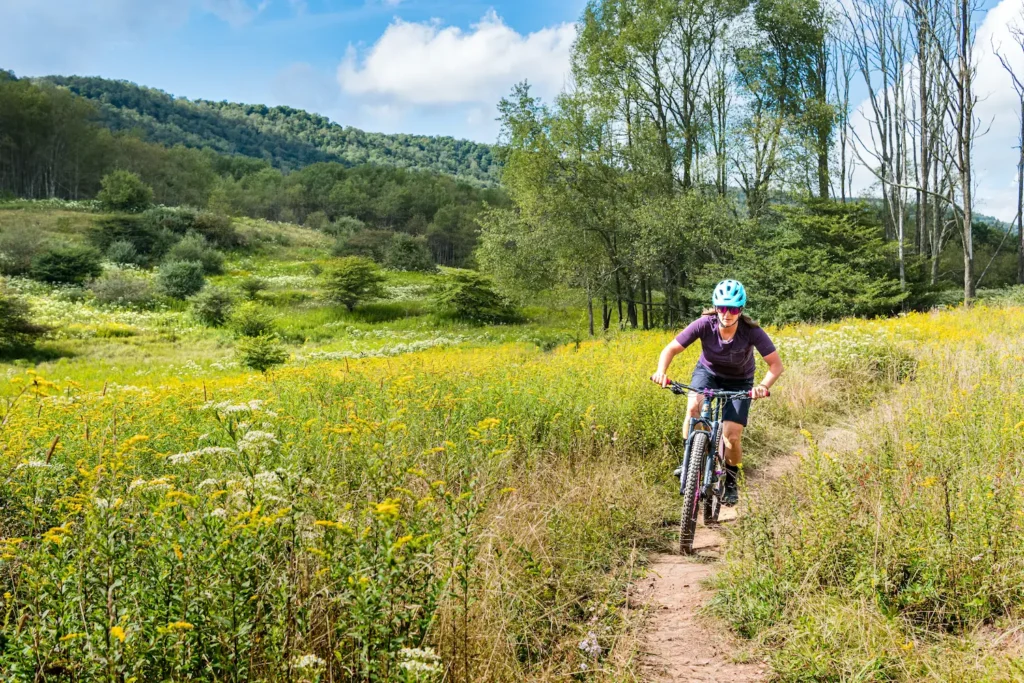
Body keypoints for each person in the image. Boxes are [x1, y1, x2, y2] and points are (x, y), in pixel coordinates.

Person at [650, 280, 783, 506]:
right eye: (722, 307)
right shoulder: (704, 324)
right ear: (716, 306)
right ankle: (689, 461)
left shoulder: (752, 332)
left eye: (733, 309)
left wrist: (762, 386)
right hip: (708, 373)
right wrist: (661, 372)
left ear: (741, 310)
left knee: (731, 435)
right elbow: (670, 349)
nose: (727, 314)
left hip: (740, 380)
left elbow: (775, 366)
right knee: (693, 407)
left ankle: (731, 482)